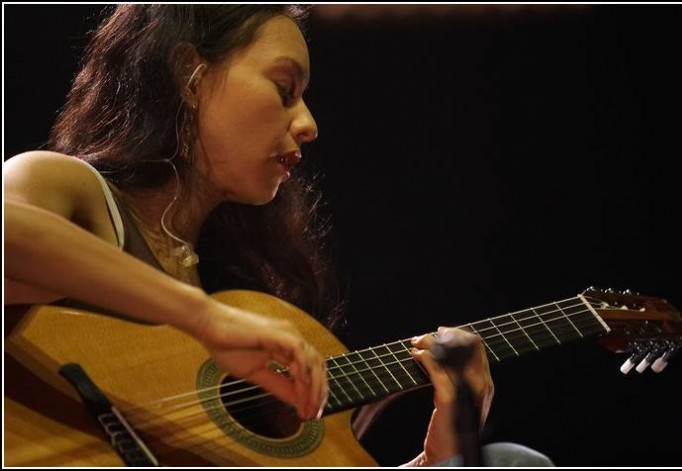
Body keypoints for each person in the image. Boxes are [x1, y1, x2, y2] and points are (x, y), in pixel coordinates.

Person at [4, 5, 552, 467]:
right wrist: (204, 318)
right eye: (284, 88)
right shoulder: (68, 186)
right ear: (189, 75)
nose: (309, 123)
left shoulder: (238, 281)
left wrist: (442, 455)